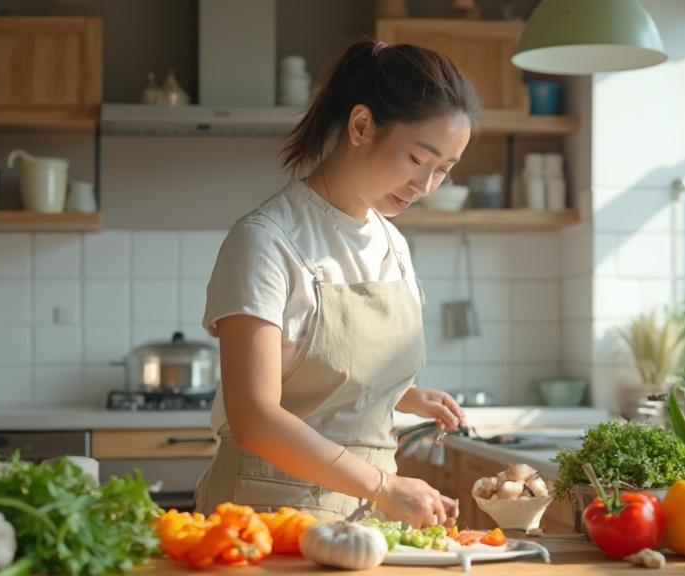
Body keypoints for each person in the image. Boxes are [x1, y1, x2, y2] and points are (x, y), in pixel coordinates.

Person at [194, 38, 480, 528]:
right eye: (417, 159)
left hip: (364, 523)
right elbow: (255, 418)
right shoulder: (266, 241)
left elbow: (326, 380)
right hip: (263, 522)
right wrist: (384, 485)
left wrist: (401, 395)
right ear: (362, 125)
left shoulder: (393, 244)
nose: (425, 186)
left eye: (443, 172)